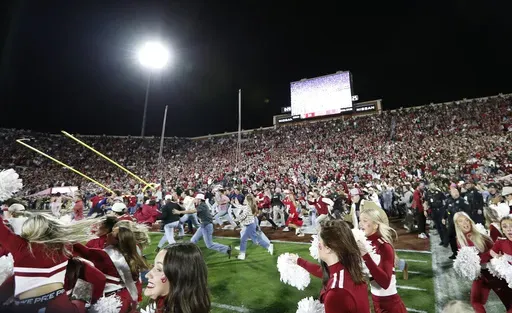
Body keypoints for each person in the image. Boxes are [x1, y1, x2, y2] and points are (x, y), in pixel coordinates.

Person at [0, 213, 97, 313]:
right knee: (84, 286)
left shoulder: (20, 246)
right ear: (52, 228)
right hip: (60, 304)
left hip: (25, 305)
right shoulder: (65, 245)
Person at [292, 219, 370, 313]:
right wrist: (299, 261)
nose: (317, 247)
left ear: (328, 248)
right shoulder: (350, 271)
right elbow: (324, 273)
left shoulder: (336, 293)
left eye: (319, 243)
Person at [74, 226, 149, 313]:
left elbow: (81, 251)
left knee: (85, 277)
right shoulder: (134, 250)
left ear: (117, 240)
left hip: (112, 301)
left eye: (112, 233)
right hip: (128, 296)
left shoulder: (103, 255)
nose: (108, 233)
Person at [453, 212, 512, 313]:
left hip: (492, 273)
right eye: (461, 221)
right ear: (457, 224)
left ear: (470, 221)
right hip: (480, 275)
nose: (465, 223)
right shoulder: (459, 240)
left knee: (508, 303)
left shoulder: (480, 235)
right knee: (475, 301)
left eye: (467, 220)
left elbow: (494, 251)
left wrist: (478, 260)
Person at [358, 206, 407, 313]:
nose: (360, 224)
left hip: (390, 304)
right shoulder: (364, 242)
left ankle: (404, 266)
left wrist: (366, 256)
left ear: (375, 225)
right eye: (359, 220)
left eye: (365, 221)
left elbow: (385, 283)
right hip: (376, 301)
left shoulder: (384, 246)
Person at [143, 242, 210, 313]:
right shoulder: (162, 304)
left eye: (159, 269)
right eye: (153, 266)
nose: (147, 275)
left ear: (179, 278)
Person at [173, 194, 232, 258]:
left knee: (209, 245)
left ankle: (227, 248)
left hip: (206, 226)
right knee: (193, 240)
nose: (194, 200)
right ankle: (188, 254)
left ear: (199, 200)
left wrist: (179, 212)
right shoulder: (201, 205)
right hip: (203, 226)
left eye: (196, 199)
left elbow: (192, 211)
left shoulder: (202, 206)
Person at [233, 194, 273, 260]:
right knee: (244, 240)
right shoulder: (249, 206)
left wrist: (235, 219)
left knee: (256, 240)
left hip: (250, 226)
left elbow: (243, 216)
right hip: (250, 225)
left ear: (248, 201)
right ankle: (242, 255)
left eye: (245, 199)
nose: (244, 200)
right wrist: (234, 204)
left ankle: (268, 246)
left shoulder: (248, 208)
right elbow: (241, 207)